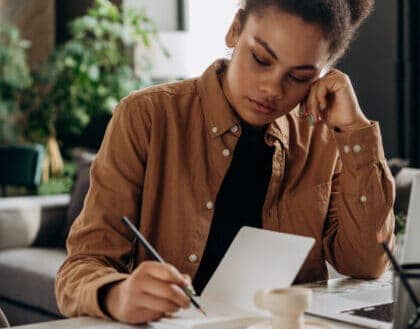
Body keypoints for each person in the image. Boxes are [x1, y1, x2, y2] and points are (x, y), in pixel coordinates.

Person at [55, 0, 395, 324]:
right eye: (261, 59)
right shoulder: (147, 117)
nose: (271, 89)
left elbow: (366, 263)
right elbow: (82, 266)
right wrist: (117, 294)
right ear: (235, 29)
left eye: (299, 77)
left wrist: (353, 130)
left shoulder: (322, 136)